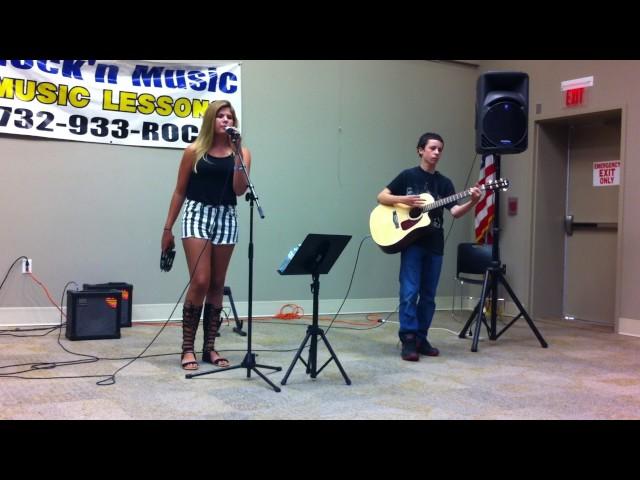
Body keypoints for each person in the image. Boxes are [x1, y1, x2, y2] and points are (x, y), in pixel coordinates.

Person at [161, 100, 250, 370]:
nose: (225, 120)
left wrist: (236, 153)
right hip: (197, 213)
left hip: (226, 216)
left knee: (217, 282)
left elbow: (239, 190)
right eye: (220, 116)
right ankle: (187, 348)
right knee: (200, 280)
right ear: (211, 120)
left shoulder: (242, 153)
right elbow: (180, 191)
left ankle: (209, 347)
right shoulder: (194, 151)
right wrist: (168, 228)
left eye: (229, 116)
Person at [377, 132, 481, 361]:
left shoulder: (444, 183)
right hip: (412, 244)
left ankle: (422, 338)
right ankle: (408, 340)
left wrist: (473, 201)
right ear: (420, 150)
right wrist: (403, 200)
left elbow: (454, 211)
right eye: (432, 148)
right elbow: (382, 196)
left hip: (434, 244)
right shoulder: (408, 176)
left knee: (428, 296)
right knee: (409, 292)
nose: (436, 153)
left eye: (440, 149)